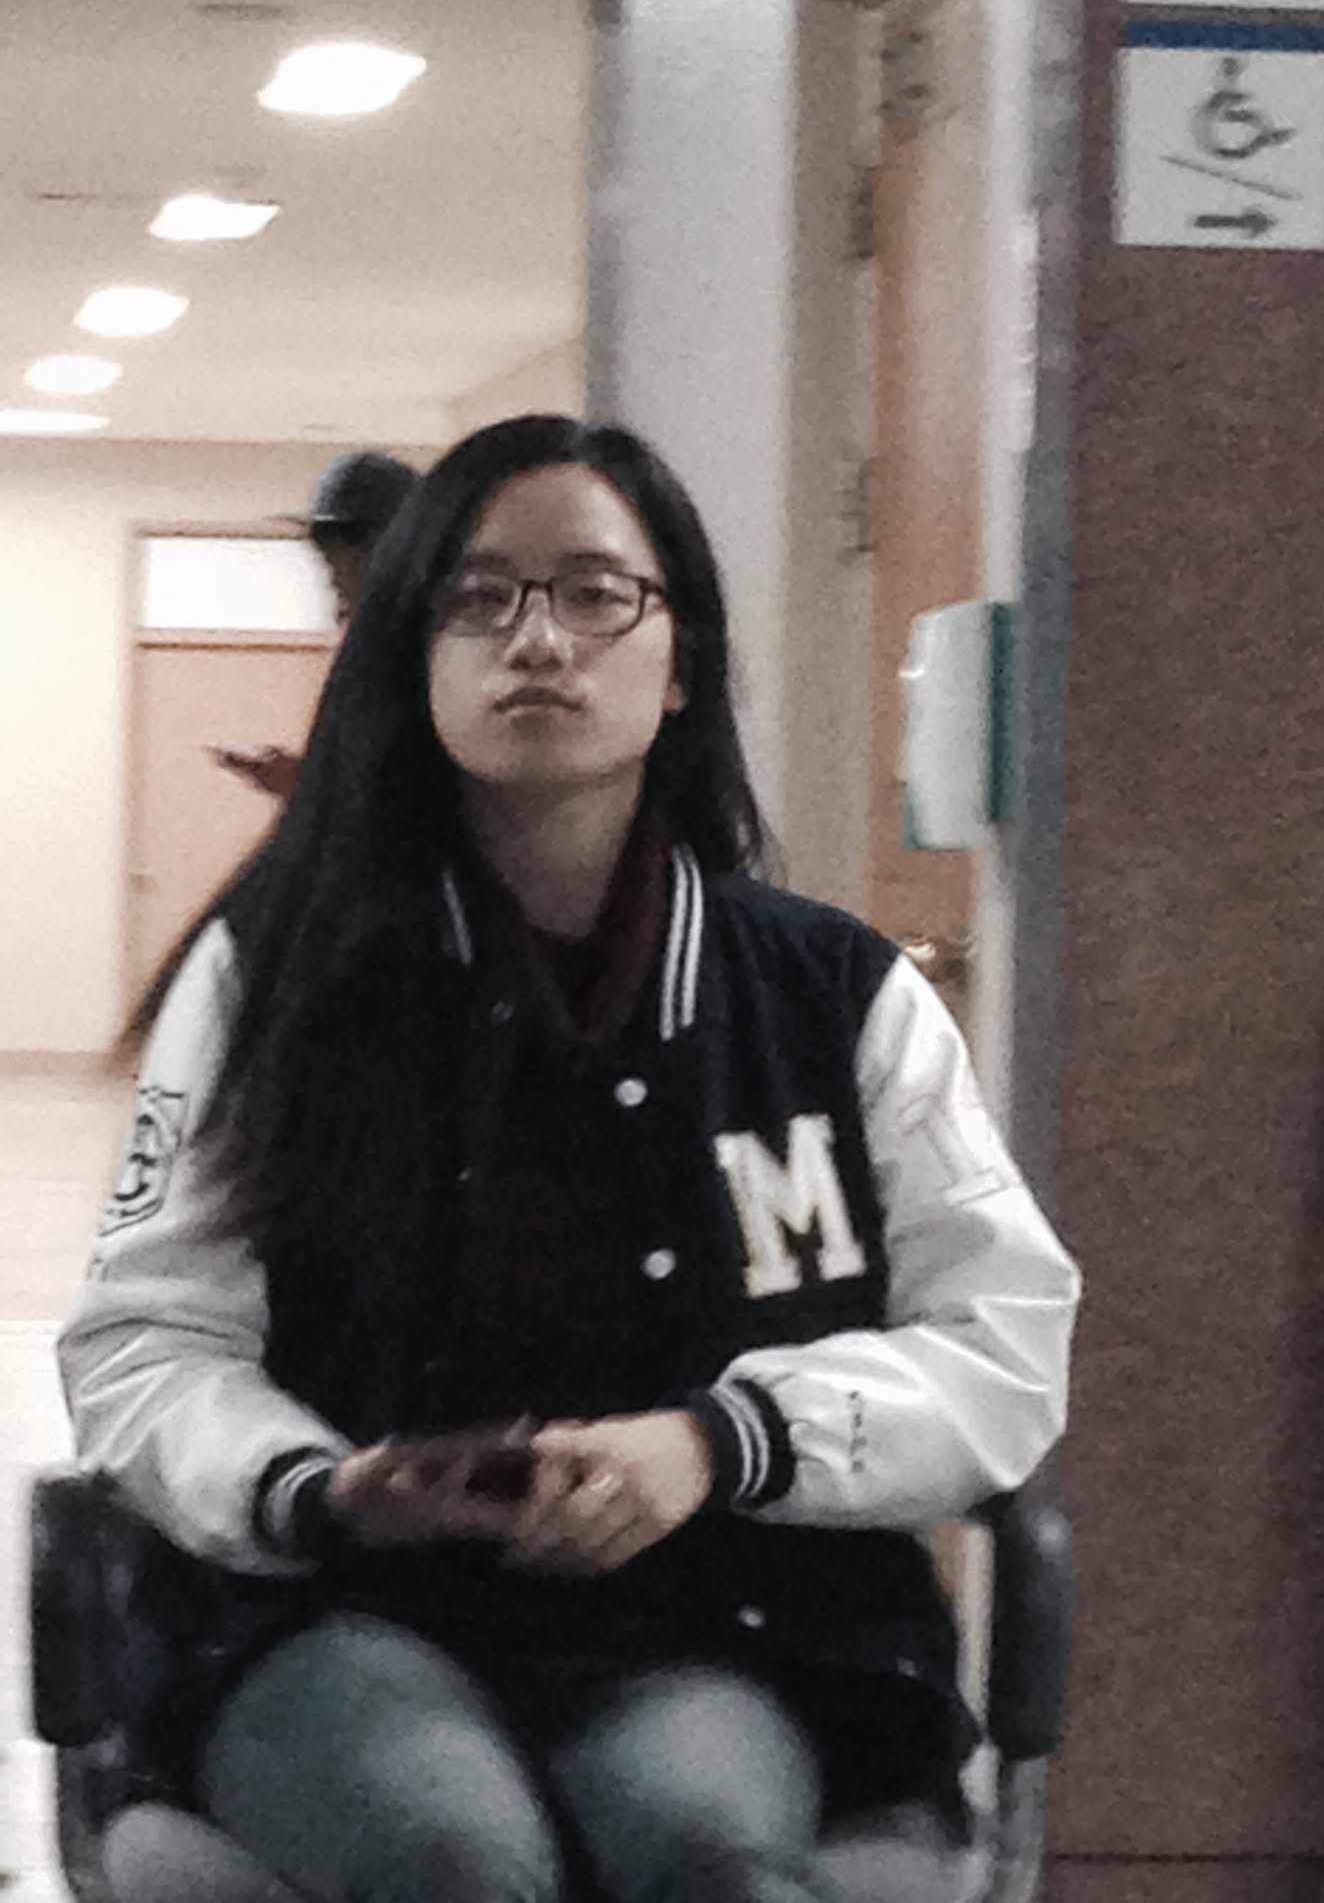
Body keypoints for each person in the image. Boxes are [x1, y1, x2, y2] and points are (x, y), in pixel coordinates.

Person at [60, 415, 1080, 1903]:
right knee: (455, 1856)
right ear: (414, 661)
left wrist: (716, 1444)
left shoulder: (831, 995)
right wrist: (318, 1486)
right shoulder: (271, 979)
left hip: (716, 1623)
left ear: (682, 662)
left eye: (596, 593)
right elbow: (144, 1344)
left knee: (703, 1849)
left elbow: (1003, 1347)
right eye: (479, 599)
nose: (537, 639)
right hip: (334, 1623)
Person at [213, 448, 418, 799]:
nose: (333, 580)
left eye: (343, 562)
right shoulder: (364, 650)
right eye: (327, 563)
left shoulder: (433, 657)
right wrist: (303, 781)